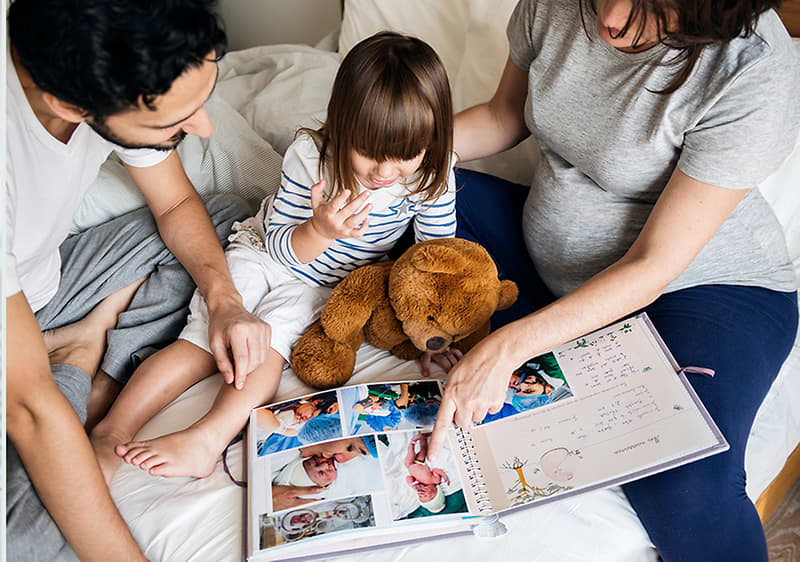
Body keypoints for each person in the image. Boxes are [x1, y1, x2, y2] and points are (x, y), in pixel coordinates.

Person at [428, 0, 799, 559]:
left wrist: (507, 347)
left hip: (700, 290)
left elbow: (653, 265)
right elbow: (506, 115)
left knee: (684, 486)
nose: (611, 18)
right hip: (554, 268)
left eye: (653, 7)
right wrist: (399, 156)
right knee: (419, 198)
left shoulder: (752, 66)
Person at [90, 30, 459, 483]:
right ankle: (111, 429)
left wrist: (437, 331)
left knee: (268, 350)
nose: (384, 172)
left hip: (325, 287)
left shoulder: (434, 176)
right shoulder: (312, 156)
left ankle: (207, 438)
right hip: (264, 252)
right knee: (201, 340)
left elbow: (435, 259)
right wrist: (319, 230)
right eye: (368, 153)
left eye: (404, 157)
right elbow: (282, 243)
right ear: (342, 126)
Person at [6, 1, 273, 560]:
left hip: (44, 288)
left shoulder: (110, 51)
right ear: (70, 105)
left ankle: (86, 353)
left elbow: (176, 201)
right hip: (19, 355)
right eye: (172, 122)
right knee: (26, 539)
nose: (203, 128)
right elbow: (28, 408)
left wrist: (224, 302)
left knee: (228, 223)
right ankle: (83, 365)